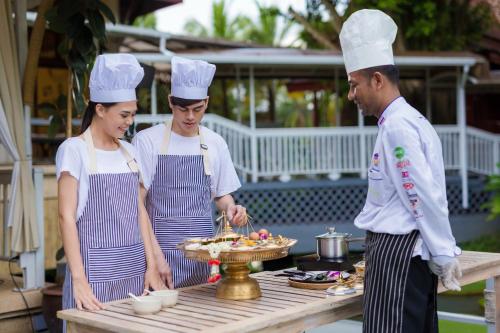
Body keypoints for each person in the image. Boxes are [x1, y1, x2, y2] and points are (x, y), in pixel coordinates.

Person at [339, 9, 462, 333]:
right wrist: (442, 248)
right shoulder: (410, 120)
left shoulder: (397, 127)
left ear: (377, 80)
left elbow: (421, 194)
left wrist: (443, 251)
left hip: (398, 257)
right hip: (408, 256)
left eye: (354, 85)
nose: (351, 95)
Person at [57, 54, 165, 316]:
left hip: (134, 273)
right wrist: (79, 280)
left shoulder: (129, 152)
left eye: (132, 115)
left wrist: (151, 266)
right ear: (100, 109)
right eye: (124, 114)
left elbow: (140, 212)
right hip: (94, 278)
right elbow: (66, 217)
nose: (129, 122)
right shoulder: (75, 150)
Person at [133, 56, 247, 288]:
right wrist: (154, 259)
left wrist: (231, 209)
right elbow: (137, 202)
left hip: (203, 259)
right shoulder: (147, 141)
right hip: (159, 256)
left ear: (206, 102)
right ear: (170, 102)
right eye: (183, 109)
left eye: (197, 109)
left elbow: (221, 195)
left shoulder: (215, 142)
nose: (190, 117)